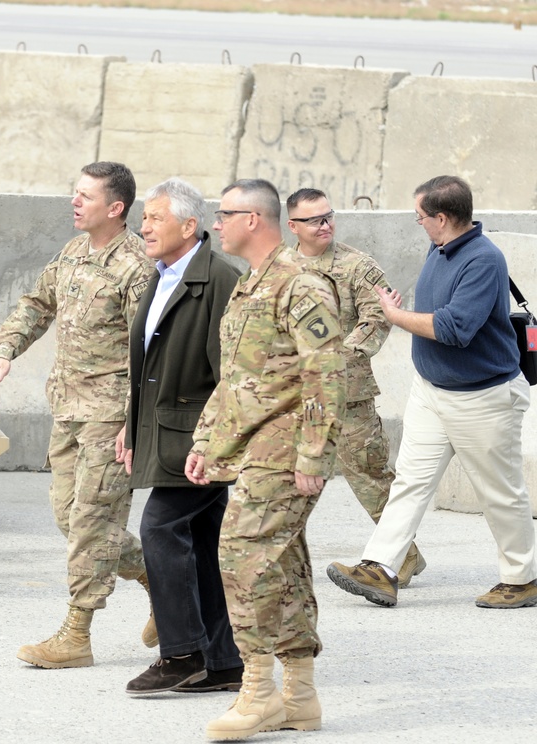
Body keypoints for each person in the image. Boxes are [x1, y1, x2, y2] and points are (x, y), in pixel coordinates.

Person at [327, 175, 537, 610]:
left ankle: (523, 579)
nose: (418, 223)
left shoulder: (483, 260)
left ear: (442, 218)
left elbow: (454, 329)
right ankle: (381, 568)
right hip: (431, 390)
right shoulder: (439, 247)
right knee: (410, 482)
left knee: (501, 492)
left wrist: (396, 315)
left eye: (421, 216)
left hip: (482, 398)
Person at [185, 179, 345, 740]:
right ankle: (300, 695)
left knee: (243, 556)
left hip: (285, 450)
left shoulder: (300, 285)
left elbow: (327, 371)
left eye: (223, 214)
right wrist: (207, 442)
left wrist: (313, 454)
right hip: (252, 448)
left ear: (252, 219)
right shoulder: (253, 283)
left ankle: (258, 692)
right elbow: (237, 378)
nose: (215, 224)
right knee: (284, 564)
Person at [0, 161, 155, 669]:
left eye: (85, 196)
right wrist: (4, 351)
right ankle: (163, 582)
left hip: (110, 413)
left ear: (115, 208)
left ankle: (76, 633)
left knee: (91, 524)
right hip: (69, 408)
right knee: (70, 516)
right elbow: (38, 303)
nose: (74, 202)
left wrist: (133, 417)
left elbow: (148, 351)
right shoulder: (75, 251)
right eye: (74, 194)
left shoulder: (136, 266)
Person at [116, 178, 243, 696]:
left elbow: (230, 374)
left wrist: (215, 443)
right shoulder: (163, 274)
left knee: (160, 530)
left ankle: (181, 652)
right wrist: (132, 420)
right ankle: (223, 661)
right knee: (203, 542)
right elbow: (147, 364)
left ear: (189, 226)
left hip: (196, 441)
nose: (144, 226)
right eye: (144, 218)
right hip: (166, 432)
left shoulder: (218, 281)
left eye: (155, 218)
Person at [286, 188, 425, 589]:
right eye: (314, 220)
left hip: (348, 394)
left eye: (328, 216)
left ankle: (402, 554)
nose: (325, 224)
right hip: (292, 396)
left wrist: (335, 360)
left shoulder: (356, 266)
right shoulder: (278, 268)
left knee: (369, 475)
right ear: (293, 226)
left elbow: (378, 317)